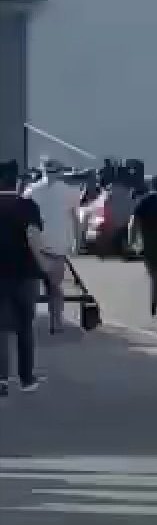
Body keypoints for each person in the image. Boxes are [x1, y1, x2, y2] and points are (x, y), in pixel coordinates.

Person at [0, 159, 44, 394]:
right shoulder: (28, 207)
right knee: (25, 327)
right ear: (16, 182)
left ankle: (1, 380)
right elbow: (33, 237)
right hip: (25, 274)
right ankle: (27, 378)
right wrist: (43, 264)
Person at [23, 159, 82, 334]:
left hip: (37, 245)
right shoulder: (68, 192)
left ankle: (38, 321)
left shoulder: (32, 191)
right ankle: (56, 322)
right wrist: (77, 243)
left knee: (36, 287)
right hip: (54, 245)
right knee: (54, 287)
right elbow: (76, 219)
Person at [129, 175, 157, 316]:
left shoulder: (145, 200)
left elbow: (134, 221)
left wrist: (131, 240)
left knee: (154, 272)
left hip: (149, 239)